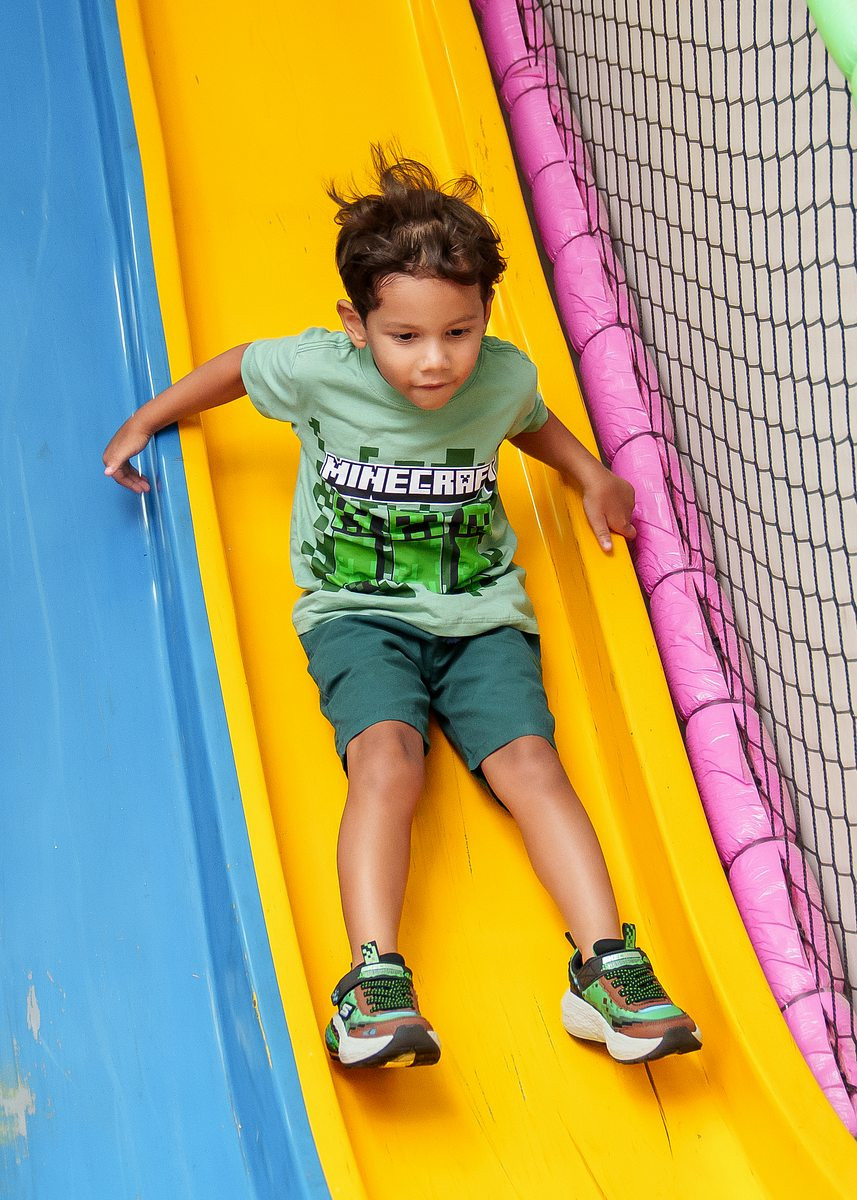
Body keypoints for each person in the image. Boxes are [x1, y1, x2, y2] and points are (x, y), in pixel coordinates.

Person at [103, 148, 701, 1070]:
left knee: (531, 762)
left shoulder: (498, 376)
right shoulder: (319, 369)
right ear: (357, 324)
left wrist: (591, 474)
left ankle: (604, 969)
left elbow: (528, 420)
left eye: (458, 333)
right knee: (387, 758)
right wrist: (148, 418)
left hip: (481, 613)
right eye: (406, 336)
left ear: (485, 316)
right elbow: (237, 368)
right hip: (357, 612)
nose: (435, 361)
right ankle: (373, 981)